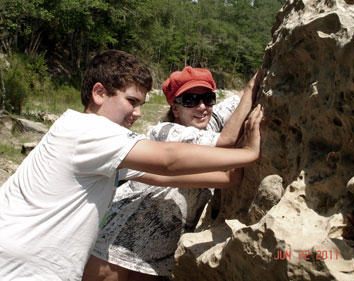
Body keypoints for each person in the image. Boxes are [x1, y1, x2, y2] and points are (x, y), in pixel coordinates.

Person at [0, 50, 263, 280]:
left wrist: (233, 174)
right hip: (25, 266)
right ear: (99, 93)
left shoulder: (96, 143)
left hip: (39, 262)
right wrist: (249, 153)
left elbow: (164, 177)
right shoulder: (89, 130)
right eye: (131, 102)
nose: (138, 113)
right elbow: (169, 160)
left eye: (141, 104)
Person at [82, 66, 262, 281]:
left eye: (208, 98)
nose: (202, 106)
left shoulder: (210, 121)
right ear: (175, 109)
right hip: (118, 240)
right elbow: (227, 140)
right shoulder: (167, 132)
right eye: (190, 100)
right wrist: (252, 89)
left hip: (160, 255)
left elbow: (240, 98)